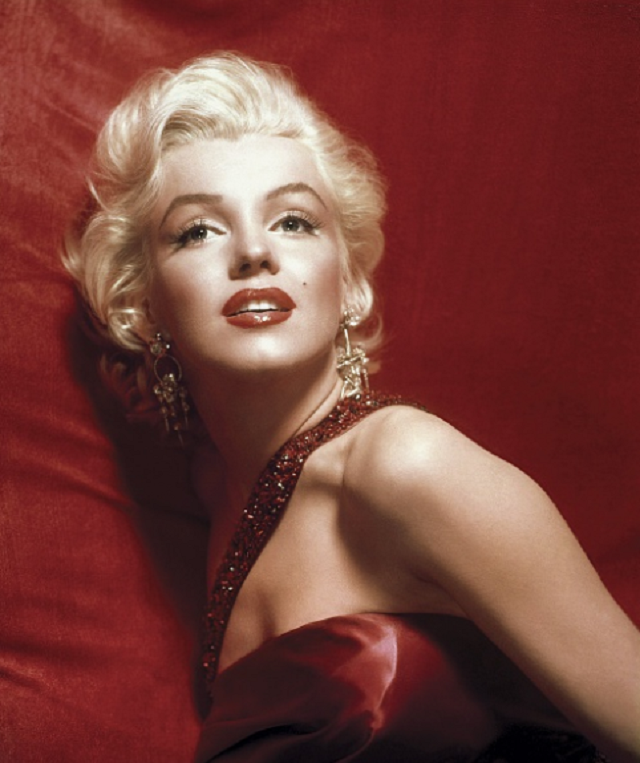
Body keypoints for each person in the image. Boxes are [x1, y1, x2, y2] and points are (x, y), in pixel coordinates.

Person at [64, 52, 640, 762]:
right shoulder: (214, 491)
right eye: (198, 231)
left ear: (349, 284)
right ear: (145, 303)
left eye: (294, 221)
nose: (253, 252)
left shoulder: (409, 468)